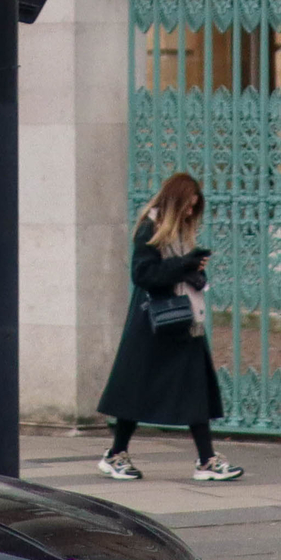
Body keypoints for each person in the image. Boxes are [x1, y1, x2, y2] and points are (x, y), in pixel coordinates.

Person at [95, 172, 243, 482]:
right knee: (136, 390)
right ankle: (115, 453)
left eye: (194, 207)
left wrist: (193, 271)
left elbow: (173, 272)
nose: (191, 212)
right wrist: (185, 265)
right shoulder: (150, 227)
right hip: (154, 323)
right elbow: (144, 274)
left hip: (182, 323)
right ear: (176, 202)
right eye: (188, 206)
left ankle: (206, 459)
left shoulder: (178, 230)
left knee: (195, 389)